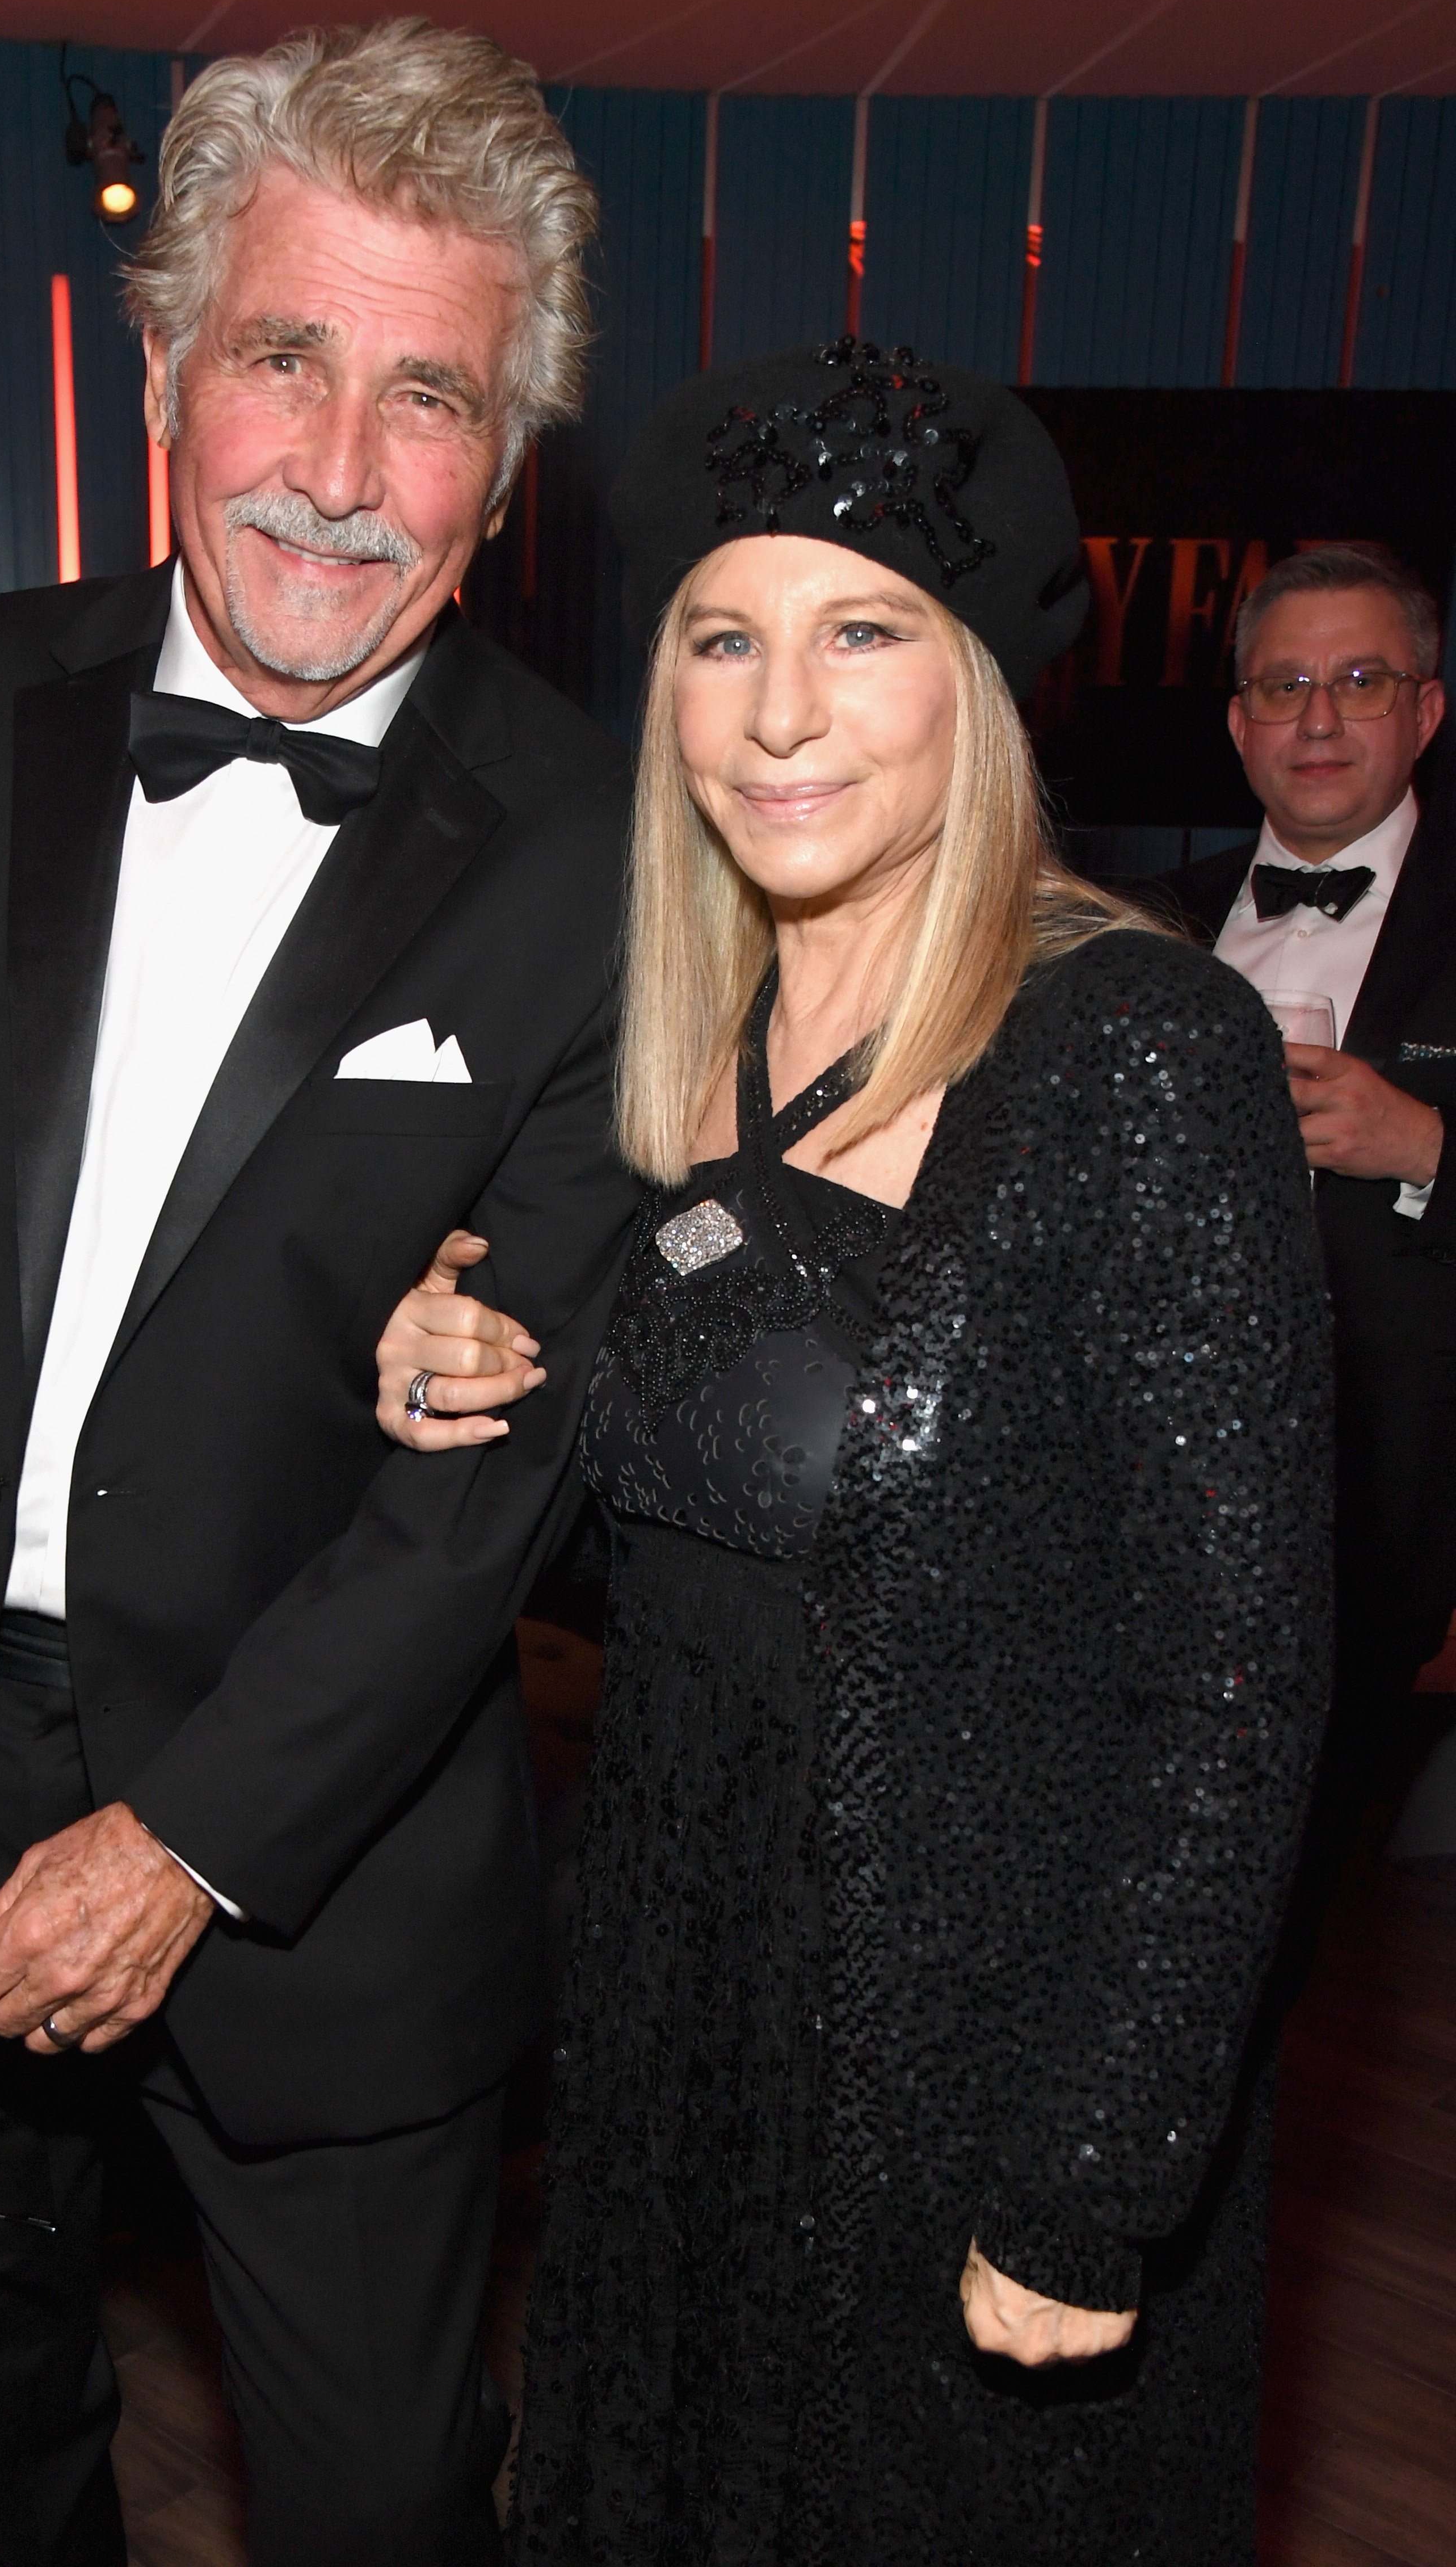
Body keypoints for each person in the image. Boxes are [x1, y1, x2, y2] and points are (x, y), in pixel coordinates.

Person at [0, 20, 639, 2567]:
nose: (337, 465)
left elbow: (501, 1458)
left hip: (329, 1841)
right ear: (168, 365)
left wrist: (188, 1841)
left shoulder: (612, 849)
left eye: (430, 396)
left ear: (505, 464)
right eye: (285, 357)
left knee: (387, 2504)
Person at [374, 343, 1334, 2563]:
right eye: (722, 637)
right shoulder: (682, 1053)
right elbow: (719, 1544)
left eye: (860, 632)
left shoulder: (1131, 1053)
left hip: (972, 2062)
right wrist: (486, 1368)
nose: (776, 711)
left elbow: (1234, 1682)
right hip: (678, 2025)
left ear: (978, 684)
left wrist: (1096, 2174)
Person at [1156, 544, 1456, 1836]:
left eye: (1358, 679)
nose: (1318, 717)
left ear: (1424, 710)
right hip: (1137, 1502)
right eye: (1282, 686)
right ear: (1237, 725)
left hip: (1374, 1516)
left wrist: (1425, 1148)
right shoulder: (1134, 922)